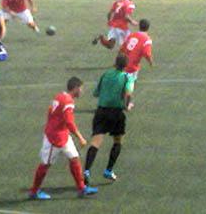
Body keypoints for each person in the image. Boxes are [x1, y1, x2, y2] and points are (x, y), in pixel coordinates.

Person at [29, 77, 98, 200]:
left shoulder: (60, 96)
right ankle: (34, 191)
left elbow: (51, 112)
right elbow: (70, 122)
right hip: (54, 138)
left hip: (62, 134)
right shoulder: (68, 102)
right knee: (45, 164)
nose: (82, 91)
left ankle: (82, 188)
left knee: (74, 158)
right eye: (81, 89)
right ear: (75, 88)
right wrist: (81, 138)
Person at [83, 55, 135, 185]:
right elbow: (128, 93)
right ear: (126, 65)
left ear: (114, 63)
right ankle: (108, 170)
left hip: (101, 112)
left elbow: (96, 93)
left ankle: (86, 171)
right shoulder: (127, 77)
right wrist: (127, 105)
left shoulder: (106, 74)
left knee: (95, 142)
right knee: (118, 140)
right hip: (116, 113)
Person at [119, 19, 153, 108]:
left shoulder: (132, 35)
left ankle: (120, 100)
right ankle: (127, 104)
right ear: (148, 28)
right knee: (131, 83)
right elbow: (147, 53)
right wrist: (150, 62)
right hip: (132, 66)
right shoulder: (147, 39)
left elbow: (122, 48)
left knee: (123, 82)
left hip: (122, 63)